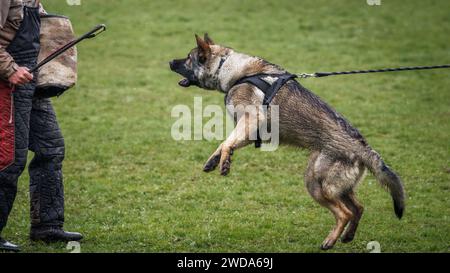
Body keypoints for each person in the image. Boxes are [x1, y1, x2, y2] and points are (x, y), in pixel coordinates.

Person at [0, 0, 82, 252]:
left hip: (31, 80)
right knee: (9, 159)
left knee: (51, 148)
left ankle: (47, 226)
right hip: (9, 83)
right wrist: (9, 69)